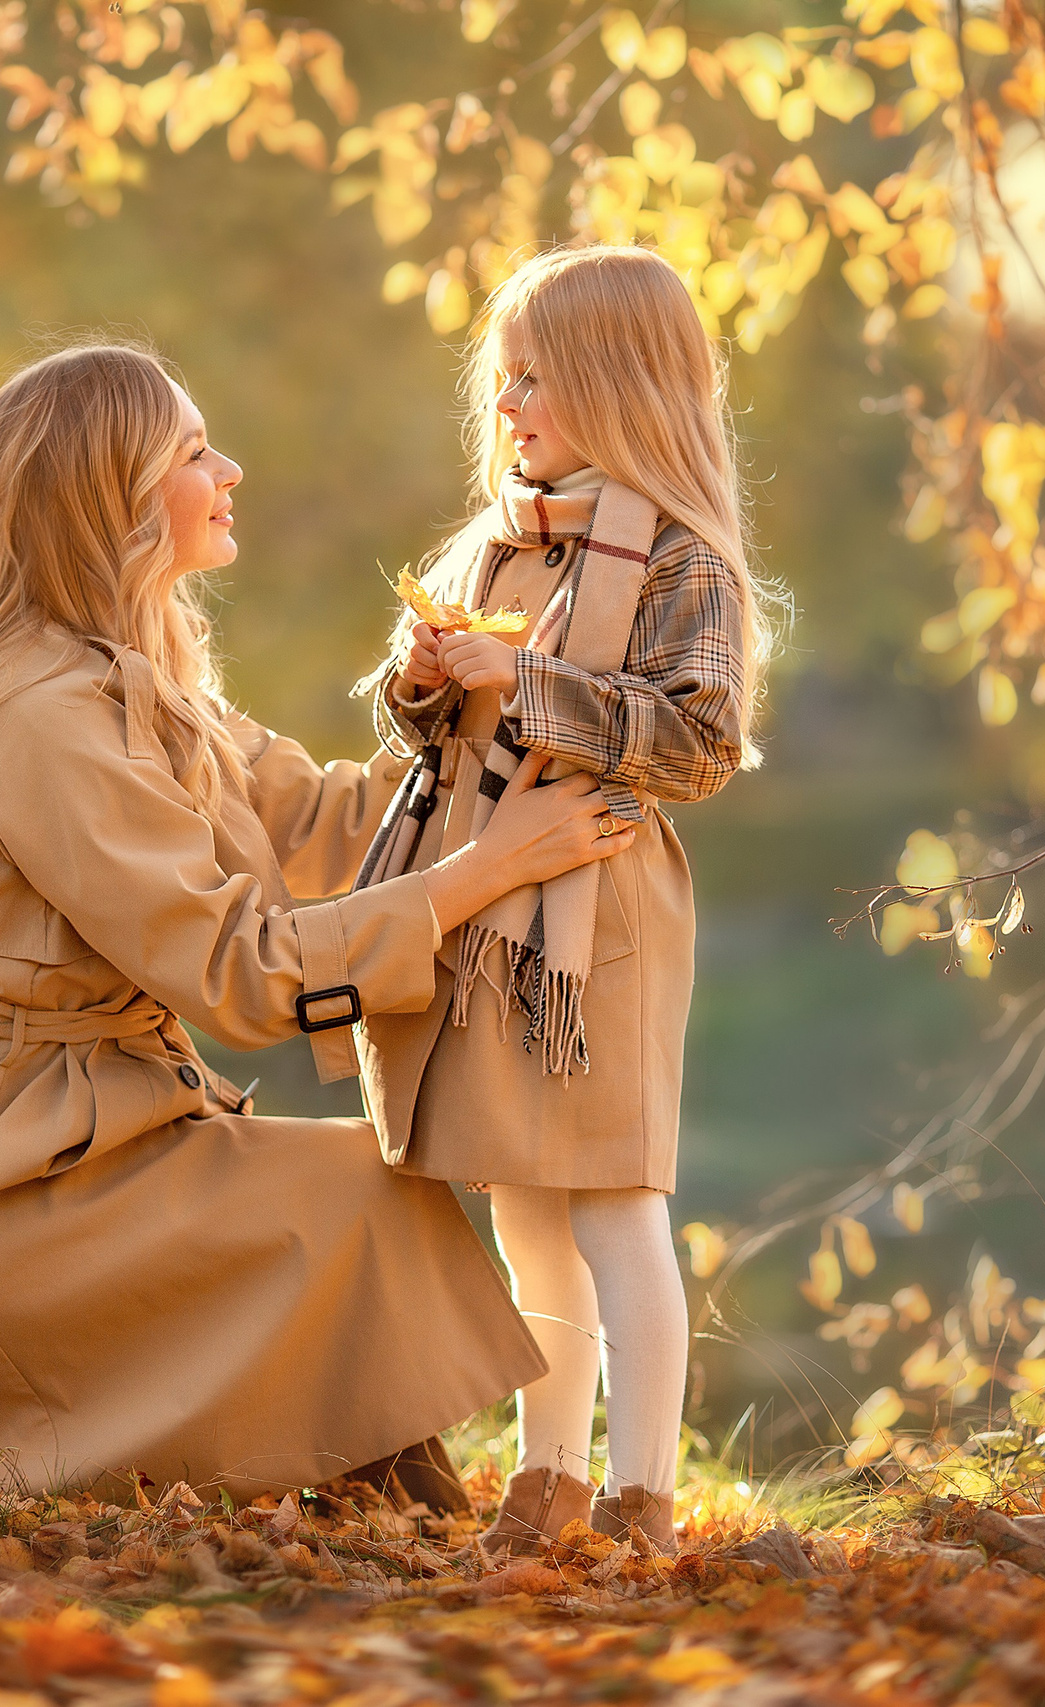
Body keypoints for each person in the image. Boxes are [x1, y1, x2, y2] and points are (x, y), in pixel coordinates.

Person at [0, 341, 639, 1505]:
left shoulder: (127, 672)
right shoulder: (46, 716)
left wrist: (485, 715)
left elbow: (327, 818)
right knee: (356, 1194)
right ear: (112, 499)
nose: (228, 470)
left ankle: (387, 1511)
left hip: (47, 1135)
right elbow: (241, 975)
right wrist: (488, 869)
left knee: (360, 1190)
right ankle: (380, 1515)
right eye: (193, 452)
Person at [355, 248, 770, 1554]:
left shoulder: (680, 560)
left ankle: (643, 1496)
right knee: (525, 1204)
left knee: (612, 1202)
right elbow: (436, 738)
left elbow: (698, 745)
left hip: (601, 911)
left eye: (537, 377)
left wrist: (525, 685)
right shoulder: (495, 544)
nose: (508, 403)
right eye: (505, 376)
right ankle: (547, 1483)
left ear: (621, 384)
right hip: (496, 904)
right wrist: (425, 678)